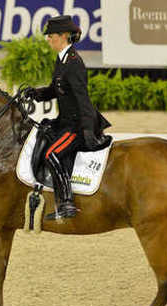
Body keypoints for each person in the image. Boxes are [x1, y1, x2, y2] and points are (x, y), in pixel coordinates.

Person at [24, 15, 111, 220]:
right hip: (64, 122)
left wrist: (88, 130)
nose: (48, 39)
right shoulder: (61, 59)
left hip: (76, 125)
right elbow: (57, 90)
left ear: (63, 36)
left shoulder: (74, 63)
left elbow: (83, 99)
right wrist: (37, 93)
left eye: (51, 36)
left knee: (51, 154)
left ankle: (66, 203)